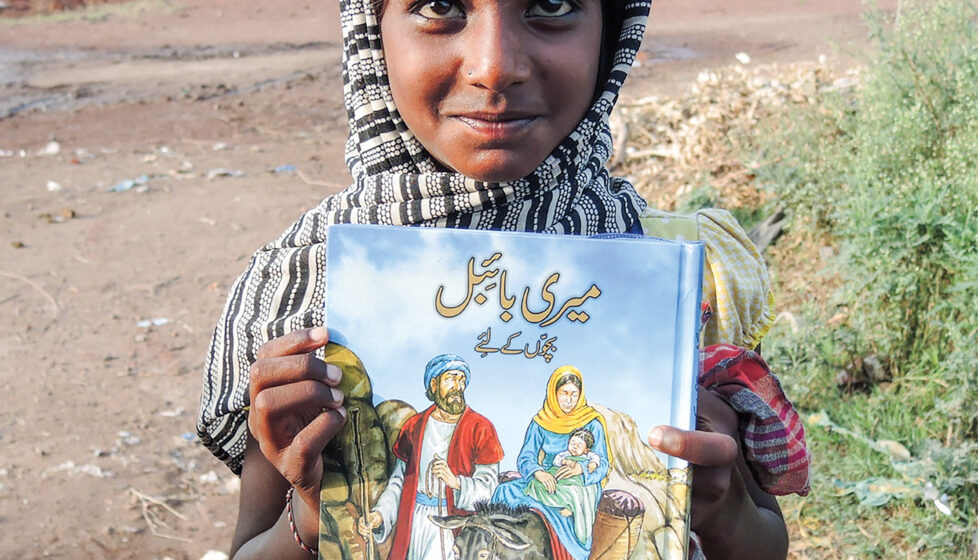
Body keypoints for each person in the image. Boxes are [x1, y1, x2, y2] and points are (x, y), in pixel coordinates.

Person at [196, 1, 809, 559]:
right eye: (440, 6)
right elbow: (252, 547)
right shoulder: (304, 288)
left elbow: (763, 542)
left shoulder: (677, 283)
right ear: (371, 33)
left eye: (550, 5)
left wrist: (720, 508)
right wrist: (314, 510)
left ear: (611, 33)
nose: (494, 66)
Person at [355, 354, 503, 560]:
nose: (458, 386)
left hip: (455, 526)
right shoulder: (414, 426)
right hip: (416, 523)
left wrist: (456, 483)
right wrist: (380, 515)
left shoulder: (481, 427)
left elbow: (488, 490)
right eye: (451, 378)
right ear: (434, 384)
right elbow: (398, 482)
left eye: (462, 380)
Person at [495, 367, 608, 558]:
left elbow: (603, 463)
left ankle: (569, 552)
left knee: (567, 506)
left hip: (579, 485)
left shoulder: (592, 423)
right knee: (503, 491)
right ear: (554, 393)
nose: (569, 400)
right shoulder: (541, 422)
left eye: (574, 394)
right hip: (546, 478)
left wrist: (581, 469)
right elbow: (526, 457)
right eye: (564, 393)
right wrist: (539, 472)